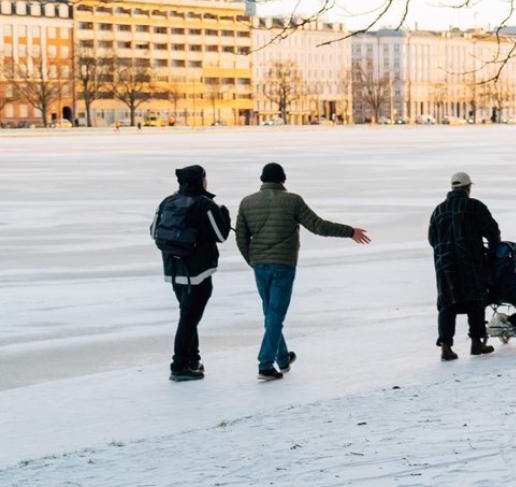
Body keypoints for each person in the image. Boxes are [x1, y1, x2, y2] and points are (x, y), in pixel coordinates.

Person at [235, 162, 371, 380]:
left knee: (270, 313)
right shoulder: (292, 201)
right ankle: (265, 365)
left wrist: (252, 260)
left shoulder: (247, 202)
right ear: (283, 180)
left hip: (260, 265)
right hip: (283, 265)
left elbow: (241, 237)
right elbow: (318, 226)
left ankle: (282, 359)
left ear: (262, 179)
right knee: (275, 315)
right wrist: (349, 232)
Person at [151, 165, 231, 381]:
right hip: (198, 271)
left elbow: (153, 232)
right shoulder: (204, 204)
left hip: (173, 268)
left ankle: (192, 359)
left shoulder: (167, 202)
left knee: (187, 313)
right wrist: (225, 215)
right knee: (188, 318)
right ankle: (178, 365)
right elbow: (221, 235)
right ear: (201, 181)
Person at [428, 172, 501, 360]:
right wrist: (493, 254)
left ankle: (446, 347)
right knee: (476, 301)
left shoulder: (438, 210)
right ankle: (476, 343)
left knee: (447, 304)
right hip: (471, 260)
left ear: (452, 188)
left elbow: (432, 239)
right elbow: (492, 232)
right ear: (468, 188)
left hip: (444, 264)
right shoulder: (475, 206)